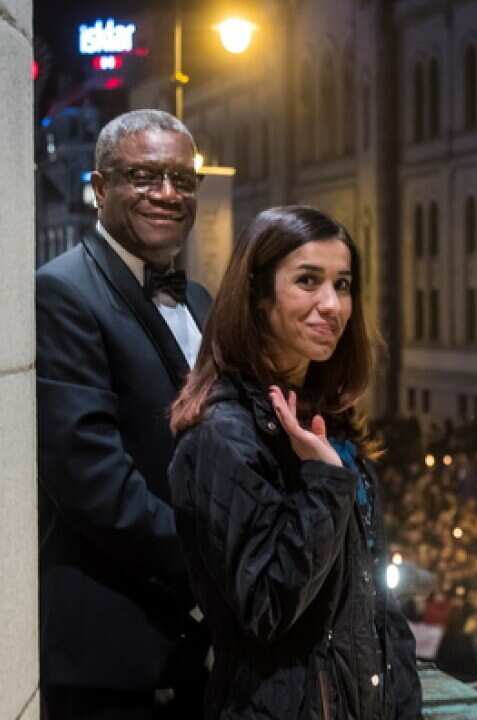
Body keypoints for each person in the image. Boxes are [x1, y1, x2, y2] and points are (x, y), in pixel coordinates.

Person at [167, 206, 421, 719]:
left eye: (343, 284)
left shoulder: (330, 418)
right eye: (308, 281)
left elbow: (376, 607)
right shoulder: (225, 432)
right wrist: (323, 483)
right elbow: (266, 607)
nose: (332, 304)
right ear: (259, 298)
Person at [36, 109, 211, 718]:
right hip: (111, 654)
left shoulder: (200, 298)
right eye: (145, 176)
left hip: (195, 651)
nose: (167, 193)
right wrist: (213, 567)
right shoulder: (62, 290)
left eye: (182, 179)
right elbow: (91, 481)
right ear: (101, 187)